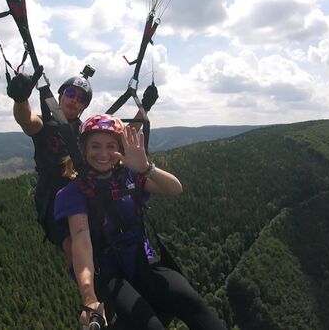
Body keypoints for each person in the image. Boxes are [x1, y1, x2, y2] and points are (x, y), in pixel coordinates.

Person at [54, 114, 226, 329]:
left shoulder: (130, 177)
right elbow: (81, 241)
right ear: (84, 150)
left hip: (144, 260)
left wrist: (146, 167)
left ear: (121, 149)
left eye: (111, 146)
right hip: (109, 272)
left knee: (196, 307)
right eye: (95, 146)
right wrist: (89, 297)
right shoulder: (74, 193)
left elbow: (174, 189)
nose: (103, 154)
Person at [7, 68, 94, 263]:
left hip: (79, 193)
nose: (74, 100)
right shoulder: (46, 124)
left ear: (84, 106)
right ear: (60, 96)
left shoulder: (85, 131)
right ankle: (90, 284)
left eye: (80, 99)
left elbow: (115, 139)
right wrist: (21, 99)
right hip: (51, 197)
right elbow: (27, 121)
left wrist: (143, 109)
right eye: (70, 94)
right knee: (72, 245)